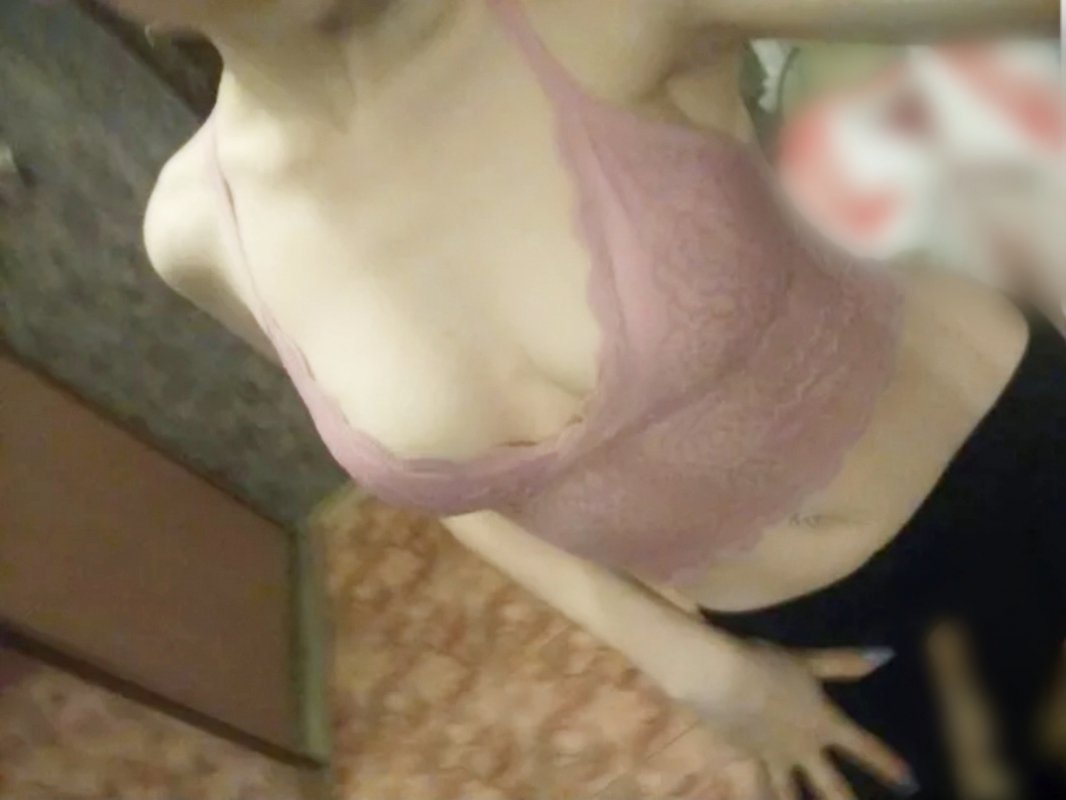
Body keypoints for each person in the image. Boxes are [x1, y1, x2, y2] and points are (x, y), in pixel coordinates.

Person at [104, 0, 1062, 796]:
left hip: (1021, 479)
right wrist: (680, 659)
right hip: (802, 656)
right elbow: (457, 489)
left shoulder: (579, 14)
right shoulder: (200, 234)